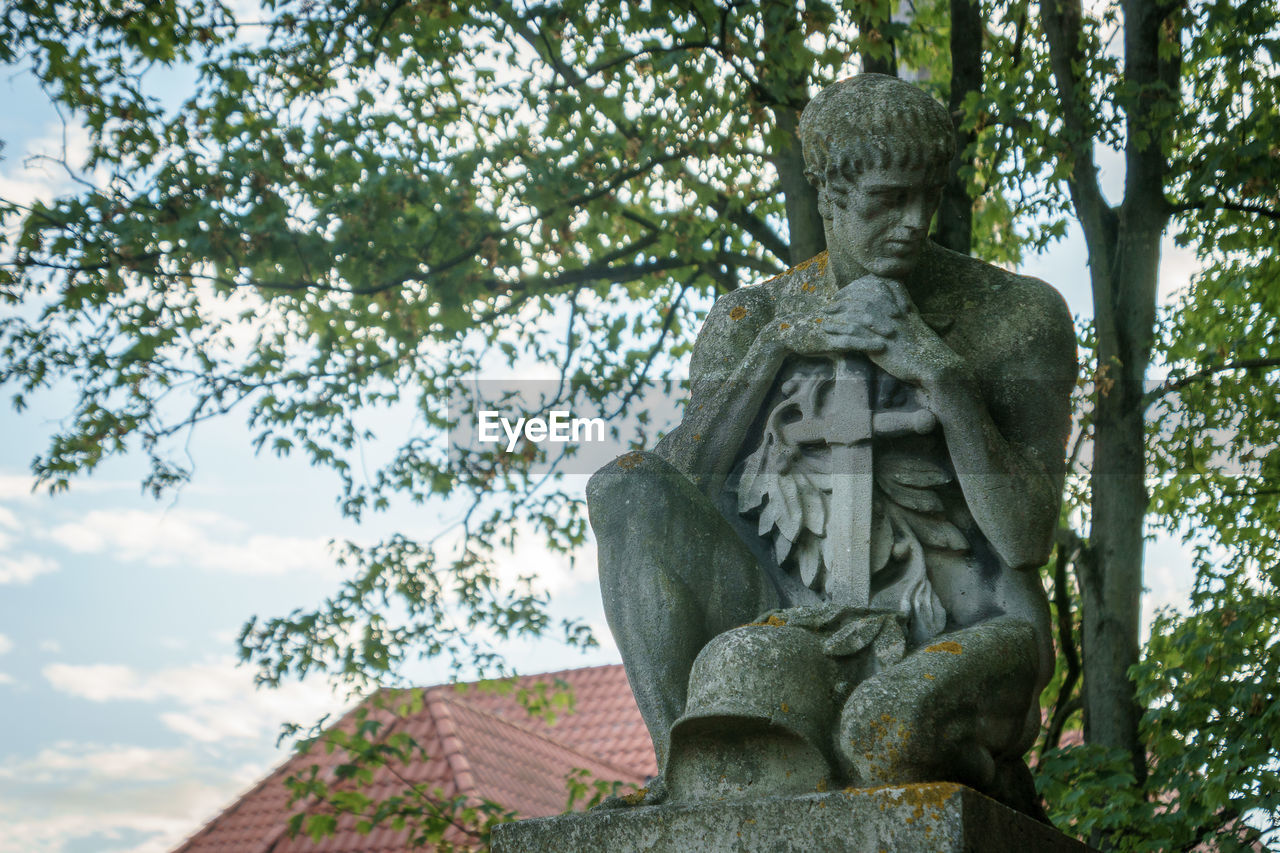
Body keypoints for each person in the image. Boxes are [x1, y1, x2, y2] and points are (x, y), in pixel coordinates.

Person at [588, 74, 1076, 815]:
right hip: (792, 617)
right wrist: (776, 350)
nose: (913, 223)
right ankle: (678, 774)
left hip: (972, 627)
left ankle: (989, 772)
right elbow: (675, 485)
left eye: (927, 197)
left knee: (880, 737)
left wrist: (944, 380)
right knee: (625, 485)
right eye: (886, 201)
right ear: (828, 194)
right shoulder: (751, 317)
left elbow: (1027, 534)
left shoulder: (1016, 316)